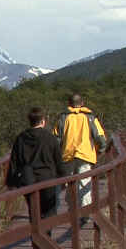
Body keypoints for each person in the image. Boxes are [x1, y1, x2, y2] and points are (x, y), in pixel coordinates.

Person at [7, 107, 66, 233]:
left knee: (34, 211)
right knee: (49, 210)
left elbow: (14, 161)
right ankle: (46, 237)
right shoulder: (50, 138)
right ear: (43, 121)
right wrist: (63, 177)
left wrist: (11, 182)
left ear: (29, 121)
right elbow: (58, 160)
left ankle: (37, 239)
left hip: (28, 180)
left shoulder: (21, 138)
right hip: (47, 179)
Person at [53, 94, 107, 224]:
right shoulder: (89, 117)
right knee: (84, 183)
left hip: (67, 155)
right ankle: (85, 213)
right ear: (82, 103)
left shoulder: (63, 117)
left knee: (69, 184)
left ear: (69, 103)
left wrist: (55, 155)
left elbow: (56, 138)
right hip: (85, 155)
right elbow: (99, 136)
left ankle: (72, 210)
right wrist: (101, 150)